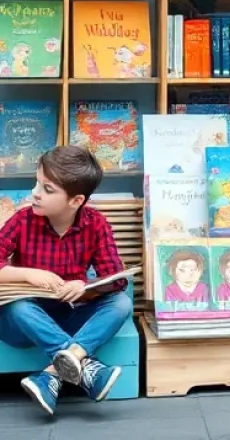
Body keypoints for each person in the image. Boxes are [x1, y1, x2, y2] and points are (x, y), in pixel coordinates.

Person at [0, 146, 132, 416]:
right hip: (24, 323)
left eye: (47, 189)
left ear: (75, 201)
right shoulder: (22, 220)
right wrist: (27, 274)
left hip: (68, 312)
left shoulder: (96, 224)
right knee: (18, 307)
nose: (35, 193)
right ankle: (87, 369)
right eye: (37, 182)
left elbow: (115, 278)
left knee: (120, 304)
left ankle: (50, 375)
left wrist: (86, 287)